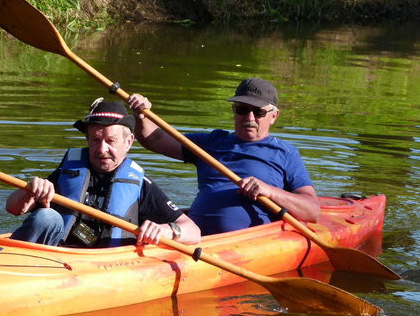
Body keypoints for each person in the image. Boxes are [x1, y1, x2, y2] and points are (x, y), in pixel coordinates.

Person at [128, 78, 320, 236]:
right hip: (192, 238)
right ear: (234, 110)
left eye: (259, 112)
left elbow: (312, 211)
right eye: (242, 109)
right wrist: (142, 115)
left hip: (248, 243)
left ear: (274, 115)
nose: (249, 118)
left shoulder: (285, 153)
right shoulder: (211, 142)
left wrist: (269, 191)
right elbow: (154, 140)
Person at [5, 98, 200, 247]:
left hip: (101, 266)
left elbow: (194, 231)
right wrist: (30, 189)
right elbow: (13, 208)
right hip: (54, 257)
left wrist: (167, 230)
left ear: (129, 142)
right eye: (95, 140)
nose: (102, 149)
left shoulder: (140, 185)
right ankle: (8, 267)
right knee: (46, 217)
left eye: (111, 141)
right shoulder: (68, 172)